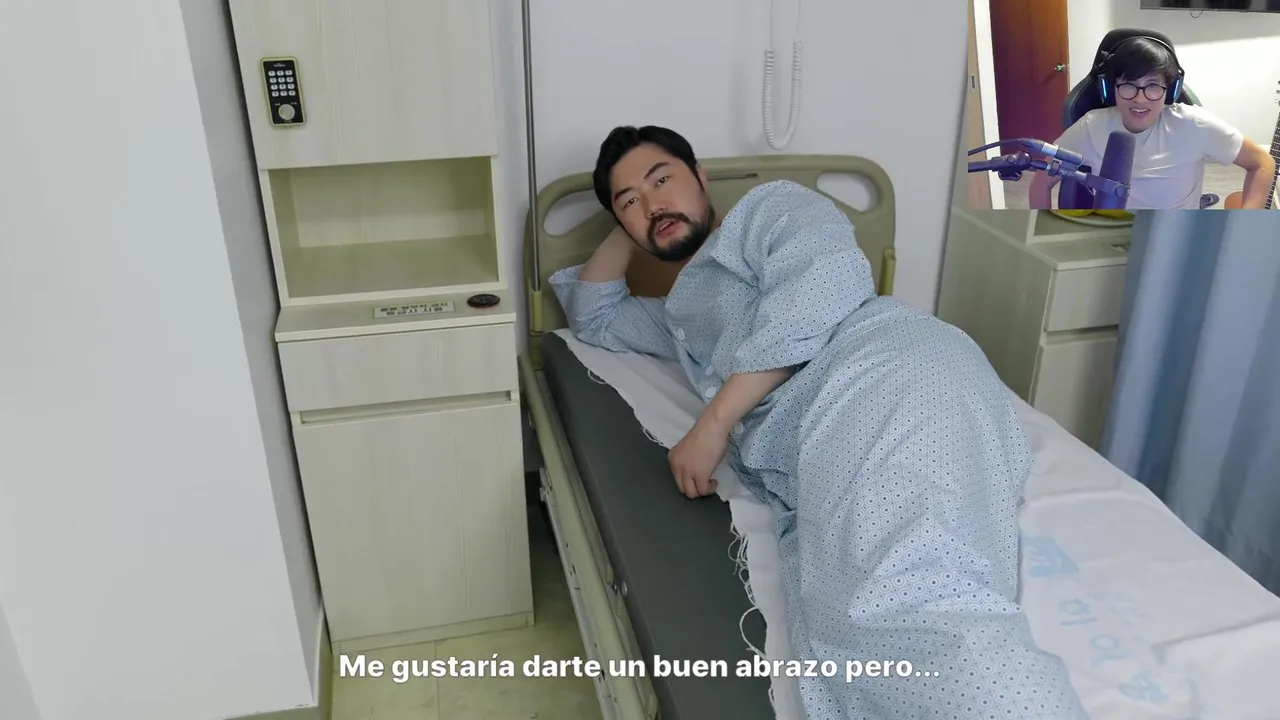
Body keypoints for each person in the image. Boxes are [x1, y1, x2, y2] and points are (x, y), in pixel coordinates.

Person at [549, 125, 1088, 719]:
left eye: (663, 179)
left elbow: (823, 287)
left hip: (882, 374)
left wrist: (714, 422)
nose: (652, 203)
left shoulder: (770, 212)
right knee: (847, 606)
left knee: (906, 590)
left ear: (700, 176)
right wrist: (638, 221)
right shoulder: (681, 318)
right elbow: (592, 317)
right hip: (823, 436)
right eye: (629, 200)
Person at [1029, 36, 1276, 210]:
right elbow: (1040, 183)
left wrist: (1243, 226)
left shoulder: (1194, 125)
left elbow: (1262, 163)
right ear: (1110, 88)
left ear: (1170, 90)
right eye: (1128, 85)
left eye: (1153, 86)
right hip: (1113, 236)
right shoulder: (1091, 127)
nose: (1140, 99)